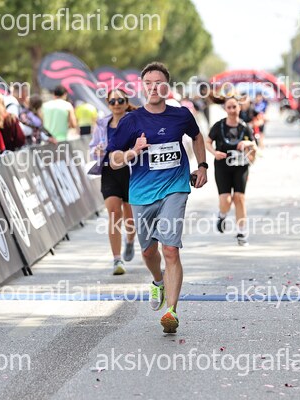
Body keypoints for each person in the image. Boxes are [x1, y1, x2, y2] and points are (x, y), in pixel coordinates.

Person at [108, 62, 208, 334]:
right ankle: (157, 281)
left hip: (175, 187)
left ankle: (171, 312)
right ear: (142, 88)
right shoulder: (131, 121)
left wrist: (202, 166)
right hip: (141, 193)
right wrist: (133, 151)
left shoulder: (181, 115)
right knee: (148, 251)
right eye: (148, 83)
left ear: (167, 87)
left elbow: (197, 137)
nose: (154, 88)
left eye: (159, 83)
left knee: (170, 249)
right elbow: (114, 160)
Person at [89, 89, 137, 275]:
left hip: (132, 171)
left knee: (130, 216)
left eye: (120, 100)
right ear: (108, 104)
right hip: (109, 171)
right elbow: (92, 148)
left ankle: (130, 240)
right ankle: (117, 259)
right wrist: (97, 151)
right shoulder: (102, 124)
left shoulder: (134, 121)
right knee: (114, 213)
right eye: (112, 101)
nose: (116, 104)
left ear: (126, 102)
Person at [206, 96, 257, 246]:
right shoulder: (218, 126)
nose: (232, 110)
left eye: (235, 107)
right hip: (222, 166)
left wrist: (247, 143)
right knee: (226, 200)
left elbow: (255, 145)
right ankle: (222, 215)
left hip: (241, 166)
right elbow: (207, 142)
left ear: (239, 107)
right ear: (225, 109)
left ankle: (242, 232)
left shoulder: (245, 127)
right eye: (229, 107)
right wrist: (214, 152)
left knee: (239, 198)